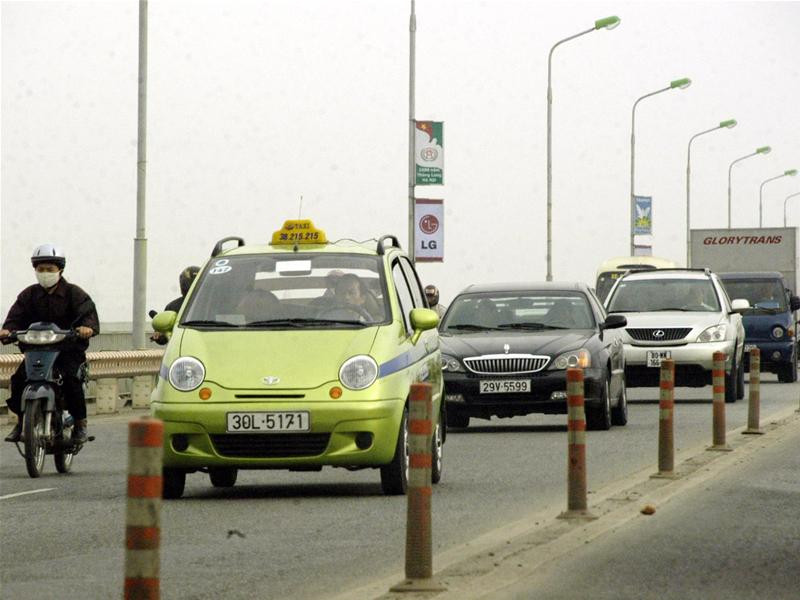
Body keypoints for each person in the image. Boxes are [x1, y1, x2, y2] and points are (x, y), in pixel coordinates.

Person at [1, 244, 99, 444]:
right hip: (35, 351)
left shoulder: (74, 294)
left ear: (60, 270)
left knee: (71, 379)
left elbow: (88, 316)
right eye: (41, 269)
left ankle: (80, 424)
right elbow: (14, 318)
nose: (45, 273)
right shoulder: (28, 295)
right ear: (35, 270)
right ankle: (22, 422)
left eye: (50, 269)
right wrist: (6, 330)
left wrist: (86, 328)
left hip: (67, 352)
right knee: (19, 380)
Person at [151, 265, 200, 345]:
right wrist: (160, 334)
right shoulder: (173, 307)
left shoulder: (173, 306)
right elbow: (165, 336)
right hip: (185, 347)